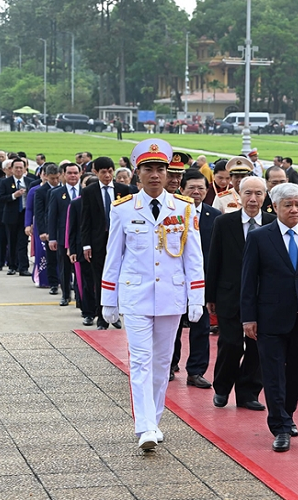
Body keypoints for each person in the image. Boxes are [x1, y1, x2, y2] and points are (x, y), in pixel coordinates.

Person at [101, 138, 205, 450]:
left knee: (161, 363)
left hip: (171, 297)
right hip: (136, 297)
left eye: (161, 169)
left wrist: (196, 296)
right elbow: (113, 256)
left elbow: (193, 257)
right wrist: (108, 299)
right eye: (149, 169)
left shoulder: (184, 209)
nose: (156, 175)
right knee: (141, 361)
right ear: (138, 172)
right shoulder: (122, 209)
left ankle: (155, 420)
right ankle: (144, 426)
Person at [240, 183, 298, 453]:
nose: (294, 210)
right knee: (272, 375)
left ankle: (287, 411)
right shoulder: (260, 237)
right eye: (288, 205)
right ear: (275, 207)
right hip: (270, 317)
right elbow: (248, 281)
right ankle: (280, 426)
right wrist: (248, 318)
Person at [206, 176, 275, 411]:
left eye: (258, 193)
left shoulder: (273, 223)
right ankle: (222, 387)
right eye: (248, 193)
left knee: (258, 347)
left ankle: (248, 392)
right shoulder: (224, 223)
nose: (253, 199)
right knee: (231, 344)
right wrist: (210, 296)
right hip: (230, 295)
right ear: (239, 195)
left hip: (264, 298)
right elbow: (214, 260)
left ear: (265, 196)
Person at [170, 170, 221, 388]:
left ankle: (196, 371)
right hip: (175, 279)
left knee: (200, 327)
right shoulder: (171, 214)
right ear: (182, 189)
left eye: (201, 188)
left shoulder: (215, 216)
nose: (197, 192)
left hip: (203, 281)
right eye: (192, 188)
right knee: (172, 326)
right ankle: (170, 365)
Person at [81, 156, 132, 329]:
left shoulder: (123, 190)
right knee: (100, 278)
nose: (108, 175)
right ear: (95, 172)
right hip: (98, 241)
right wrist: (86, 244)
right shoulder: (89, 191)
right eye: (103, 172)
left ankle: (115, 314)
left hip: (119, 240)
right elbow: (85, 220)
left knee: (119, 278)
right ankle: (102, 316)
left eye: (110, 172)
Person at [67, 174, 99, 326]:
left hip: (101, 248)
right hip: (82, 248)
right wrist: (72, 249)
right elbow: (72, 229)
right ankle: (88, 313)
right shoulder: (76, 204)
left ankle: (104, 312)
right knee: (86, 283)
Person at [48, 163, 81, 307]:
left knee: (81, 270)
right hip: (63, 236)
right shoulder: (56, 193)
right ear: (64, 174)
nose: (73, 176)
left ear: (80, 174)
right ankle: (66, 294)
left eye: (75, 173)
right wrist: (52, 238)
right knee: (64, 268)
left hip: (81, 237)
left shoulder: (85, 191)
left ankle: (81, 297)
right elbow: (52, 217)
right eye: (69, 173)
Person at [0, 158, 32, 276]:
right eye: (16, 167)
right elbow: (1, 198)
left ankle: (23, 267)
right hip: (11, 216)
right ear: (11, 169)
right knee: (12, 241)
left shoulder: (29, 181)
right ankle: (12, 266)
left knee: (23, 242)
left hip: (24, 215)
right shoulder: (5, 182)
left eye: (21, 168)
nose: (18, 170)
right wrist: (14, 195)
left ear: (24, 169)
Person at [31, 164, 61, 290]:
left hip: (63, 228)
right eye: (52, 178)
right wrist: (43, 231)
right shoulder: (41, 191)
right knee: (51, 258)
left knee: (64, 257)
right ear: (46, 176)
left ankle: (66, 281)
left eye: (57, 178)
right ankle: (53, 283)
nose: (55, 181)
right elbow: (39, 213)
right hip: (49, 229)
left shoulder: (63, 189)